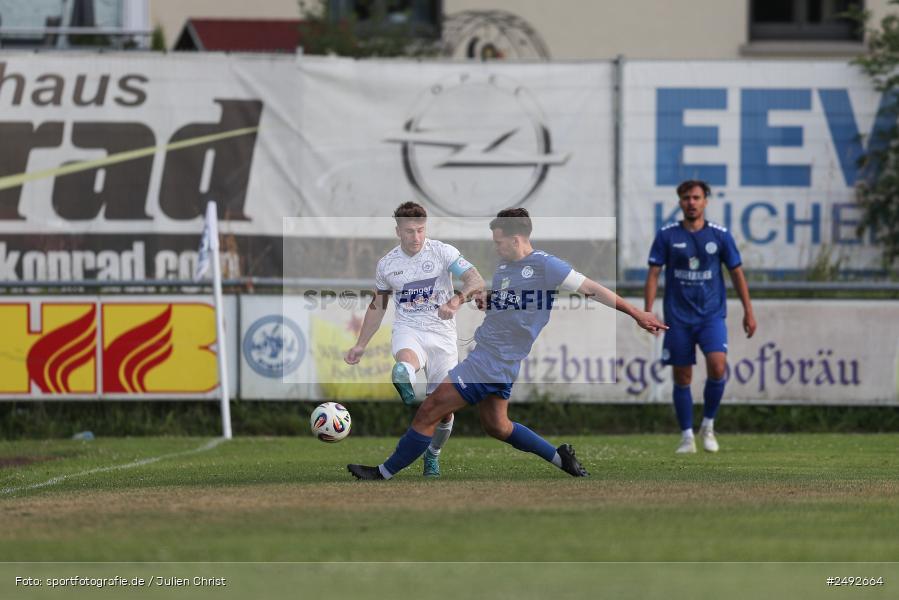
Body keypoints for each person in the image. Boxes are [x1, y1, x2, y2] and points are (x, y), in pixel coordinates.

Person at [348, 208, 667, 480]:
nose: (495, 247)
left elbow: (593, 289)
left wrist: (636, 312)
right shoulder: (503, 269)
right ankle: (560, 458)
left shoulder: (545, 265)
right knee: (497, 426)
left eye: (499, 242)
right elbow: (509, 303)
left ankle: (382, 472)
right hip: (497, 360)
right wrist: (489, 301)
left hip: (491, 361)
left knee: (429, 410)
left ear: (516, 239)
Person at [344, 201, 484, 477]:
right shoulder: (387, 264)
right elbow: (378, 305)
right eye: (409, 231)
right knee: (406, 359)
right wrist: (361, 344)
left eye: (420, 230)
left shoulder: (443, 252)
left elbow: (476, 279)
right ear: (398, 231)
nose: (416, 237)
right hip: (409, 329)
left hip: (442, 335)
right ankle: (404, 373)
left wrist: (457, 299)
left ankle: (433, 454)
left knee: (444, 411)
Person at [644, 180, 757, 454]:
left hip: (711, 316)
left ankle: (708, 425)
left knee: (718, 366)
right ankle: (686, 436)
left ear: (705, 201)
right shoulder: (667, 235)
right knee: (682, 375)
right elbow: (654, 273)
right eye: (685, 198)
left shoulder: (719, 235)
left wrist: (748, 310)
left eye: (696, 197)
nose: (691, 202)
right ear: (680, 202)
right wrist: (647, 310)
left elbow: (736, 272)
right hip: (678, 317)